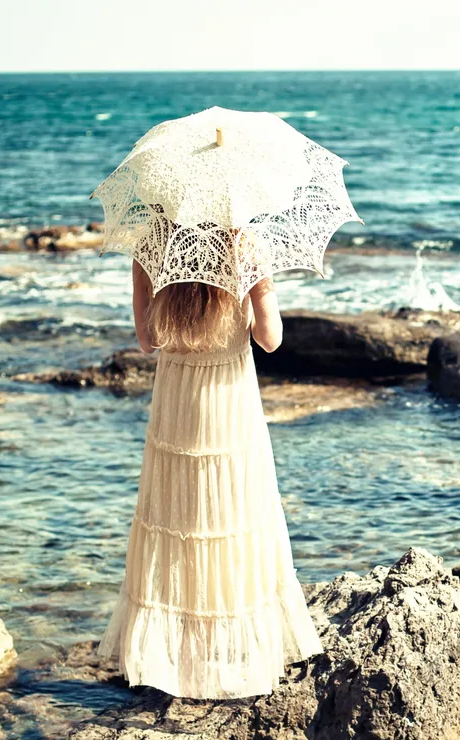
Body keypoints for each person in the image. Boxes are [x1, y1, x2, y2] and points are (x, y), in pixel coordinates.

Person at [95, 219, 324, 699]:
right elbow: (271, 338)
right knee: (233, 516)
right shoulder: (245, 245)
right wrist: (259, 281)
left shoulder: (152, 245)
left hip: (177, 397)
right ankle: (232, 652)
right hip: (228, 399)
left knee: (177, 518)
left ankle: (174, 657)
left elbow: (145, 340)